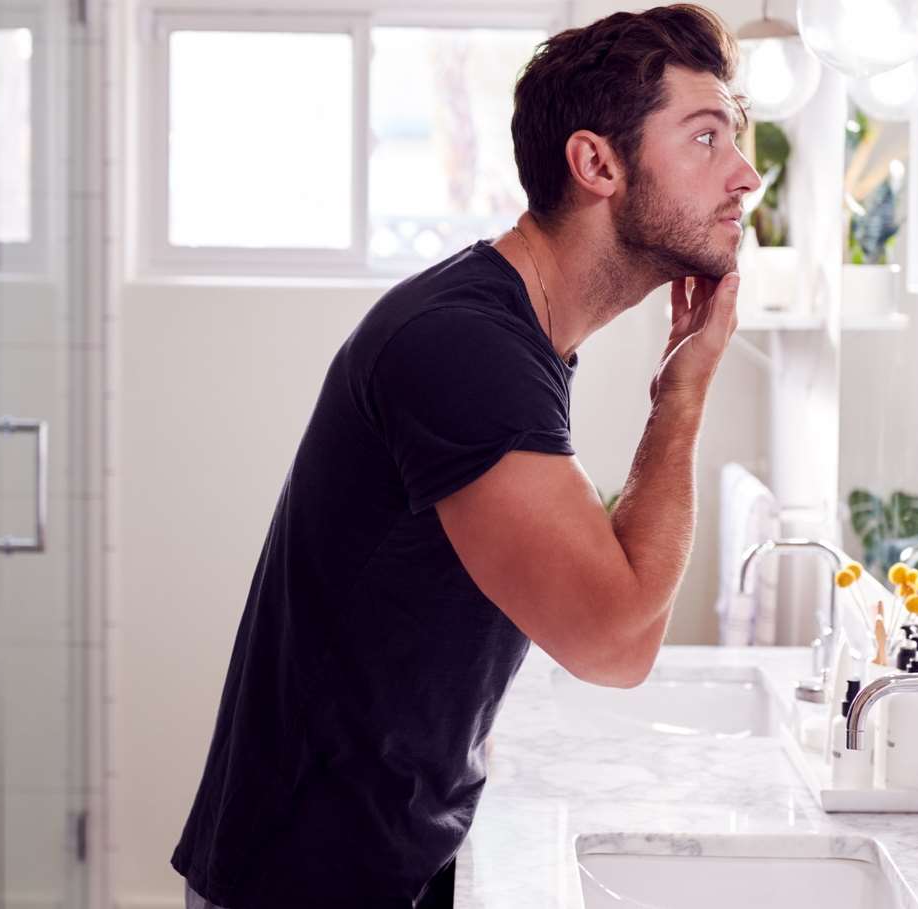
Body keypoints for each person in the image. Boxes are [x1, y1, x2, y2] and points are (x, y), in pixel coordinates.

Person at [172, 5, 761, 907]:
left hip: (371, 858)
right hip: (307, 880)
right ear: (596, 163)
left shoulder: (509, 330)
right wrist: (680, 395)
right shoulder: (465, 347)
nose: (746, 175)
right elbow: (613, 643)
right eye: (706, 137)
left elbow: (593, 619)